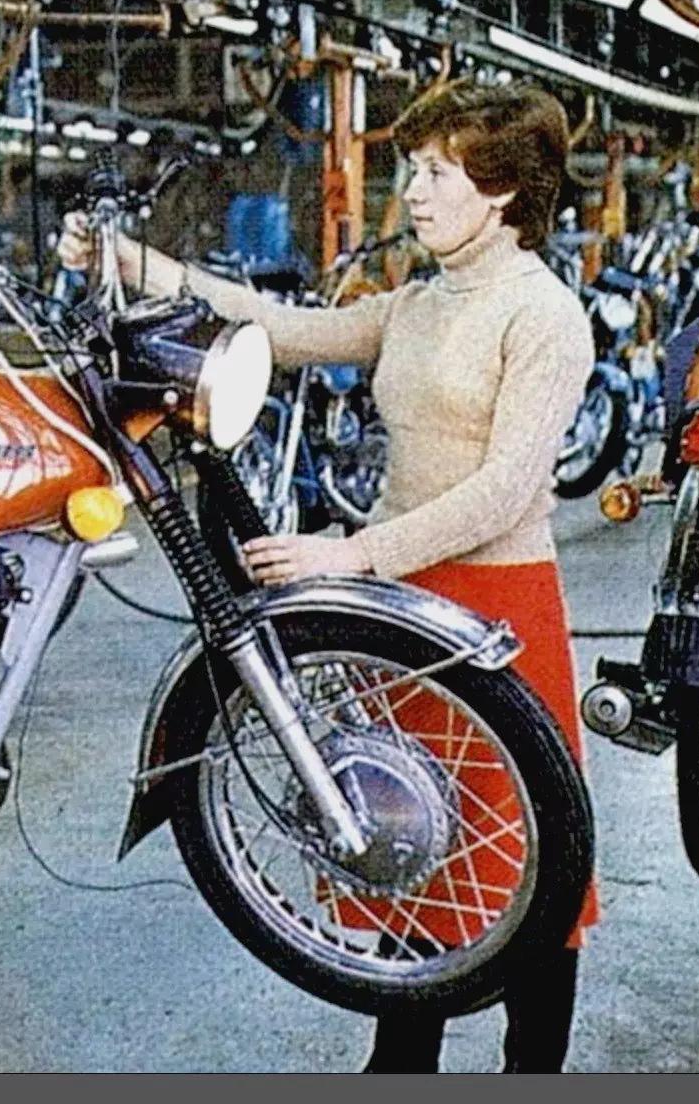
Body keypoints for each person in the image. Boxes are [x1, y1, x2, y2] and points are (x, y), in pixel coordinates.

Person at [65, 80, 597, 1073]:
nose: (413, 192)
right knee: (400, 835)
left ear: (500, 191)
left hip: (497, 610)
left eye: (436, 172)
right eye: (412, 170)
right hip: (400, 613)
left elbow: (501, 492)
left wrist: (347, 554)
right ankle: (398, 1066)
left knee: (523, 866)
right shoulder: (420, 302)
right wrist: (134, 263)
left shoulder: (543, 316)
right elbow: (278, 327)